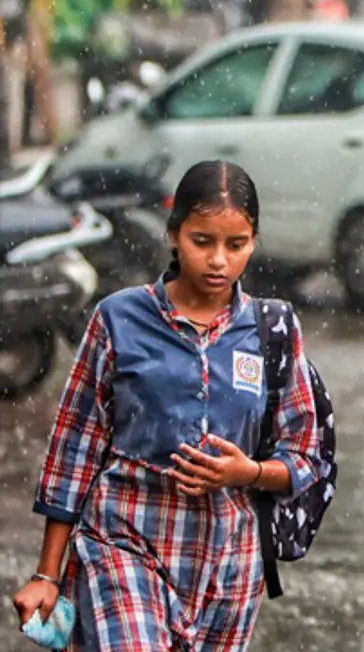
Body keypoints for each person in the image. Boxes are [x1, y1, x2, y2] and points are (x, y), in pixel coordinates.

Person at [11, 161, 322, 650]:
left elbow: (305, 458)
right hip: (124, 545)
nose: (218, 260)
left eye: (235, 245)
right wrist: (47, 575)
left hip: (228, 570)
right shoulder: (118, 319)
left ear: (253, 243)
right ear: (174, 236)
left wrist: (247, 473)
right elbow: (74, 448)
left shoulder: (273, 331)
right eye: (203, 241)